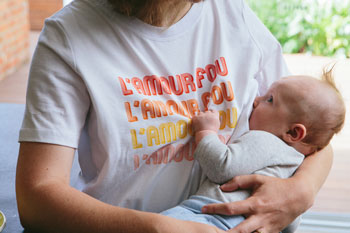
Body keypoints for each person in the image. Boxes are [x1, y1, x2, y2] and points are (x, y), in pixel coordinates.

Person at [15, 0, 334, 232]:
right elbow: (36, 198)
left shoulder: (233, 15)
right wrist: (160, 228)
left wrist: (301, 192)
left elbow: (313, 137)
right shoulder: (70, 36)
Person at [161, 72, 346, 232]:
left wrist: (206, 132)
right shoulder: (296, 165)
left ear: (293, 132)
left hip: (212, 216)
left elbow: (222, 167)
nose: (256, 101)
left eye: (270, 100)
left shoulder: (265, 140)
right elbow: (291, 220)